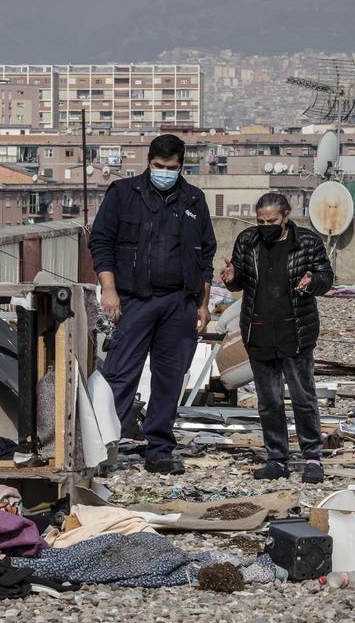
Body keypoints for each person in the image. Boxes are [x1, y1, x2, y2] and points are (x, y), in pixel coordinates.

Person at [88, 134, 217, 475]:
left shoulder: (193, 200)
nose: (164, 173)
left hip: (179, 303)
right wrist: (109, 290)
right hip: (133, 301)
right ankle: (102, 447)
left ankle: (159, 448)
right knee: (119, 375)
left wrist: (203, 306)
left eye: (170, 168)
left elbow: (206, 256)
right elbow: (101, 241)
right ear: (148, 162)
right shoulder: (123, 194)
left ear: (181, 166)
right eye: (158, 167)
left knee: (170, 378)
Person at [221, 192, 334, 483]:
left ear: (286, 216)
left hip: (295, 332)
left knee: (303, 397)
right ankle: (277, 458)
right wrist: (231, 277)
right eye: (261, 221)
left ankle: (312, 456)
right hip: (258, 331)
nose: (265, 225)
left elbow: (326, 278)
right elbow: (239, 280)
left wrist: (312, 282)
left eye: (271, 220)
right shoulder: (248, 241)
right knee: (268, 400)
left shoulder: (307, 242)